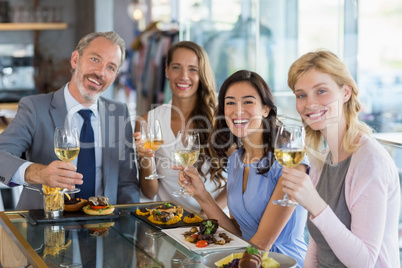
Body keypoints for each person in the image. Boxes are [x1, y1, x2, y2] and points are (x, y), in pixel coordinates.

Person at [176, 70, 309, 267]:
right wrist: (201, 194)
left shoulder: (291, 163)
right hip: (246, 259)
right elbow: (238, 234)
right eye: (230, 102)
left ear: (265, 109)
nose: (237, 111)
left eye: (248, 102)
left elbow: (263, 242)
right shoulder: (236, 160)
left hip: (284, 263)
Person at [282, 50, 400, 267]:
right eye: (301, 95)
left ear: (346, 92)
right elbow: (317, 244)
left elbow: (364, 262)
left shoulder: (370, 161)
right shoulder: (324, 158)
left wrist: (315, 204)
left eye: (321, 91)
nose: (310, 103)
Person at [0, 31, 140, 210]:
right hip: (42, 226)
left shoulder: (119, 112)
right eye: (95, 59)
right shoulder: (34, 107)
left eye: (111, 67)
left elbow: (127, 183)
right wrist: (40, 173)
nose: (100, 72)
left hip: (102, 228)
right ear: (75, 60)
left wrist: (126, 231)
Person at [134, 41, 227, 214]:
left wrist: (208, 214)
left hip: (218, 222)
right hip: (171, 225)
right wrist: (146, 160)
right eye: (176, 67)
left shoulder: (221, 119)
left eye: (192, 69)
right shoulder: (147, 121)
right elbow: (150, 192)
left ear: (202, 74)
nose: (184, 76)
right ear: (166, 71)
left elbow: (240, 179)